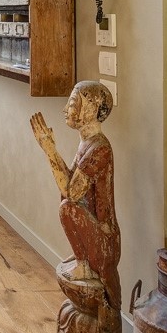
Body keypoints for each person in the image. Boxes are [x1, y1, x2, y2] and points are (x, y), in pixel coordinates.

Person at [29, 81, 120, 311]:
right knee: (67, 202)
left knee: (68, 207)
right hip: (97, 236)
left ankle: (85, 264)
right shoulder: (87, 142)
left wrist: (50, 150)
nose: (65, 110)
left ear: (89, 109)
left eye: (71, 104)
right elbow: (70, 184)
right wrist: (49, 149)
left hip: (105, 241)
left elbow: (72, 192)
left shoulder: (99, 148)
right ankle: (83, 258)